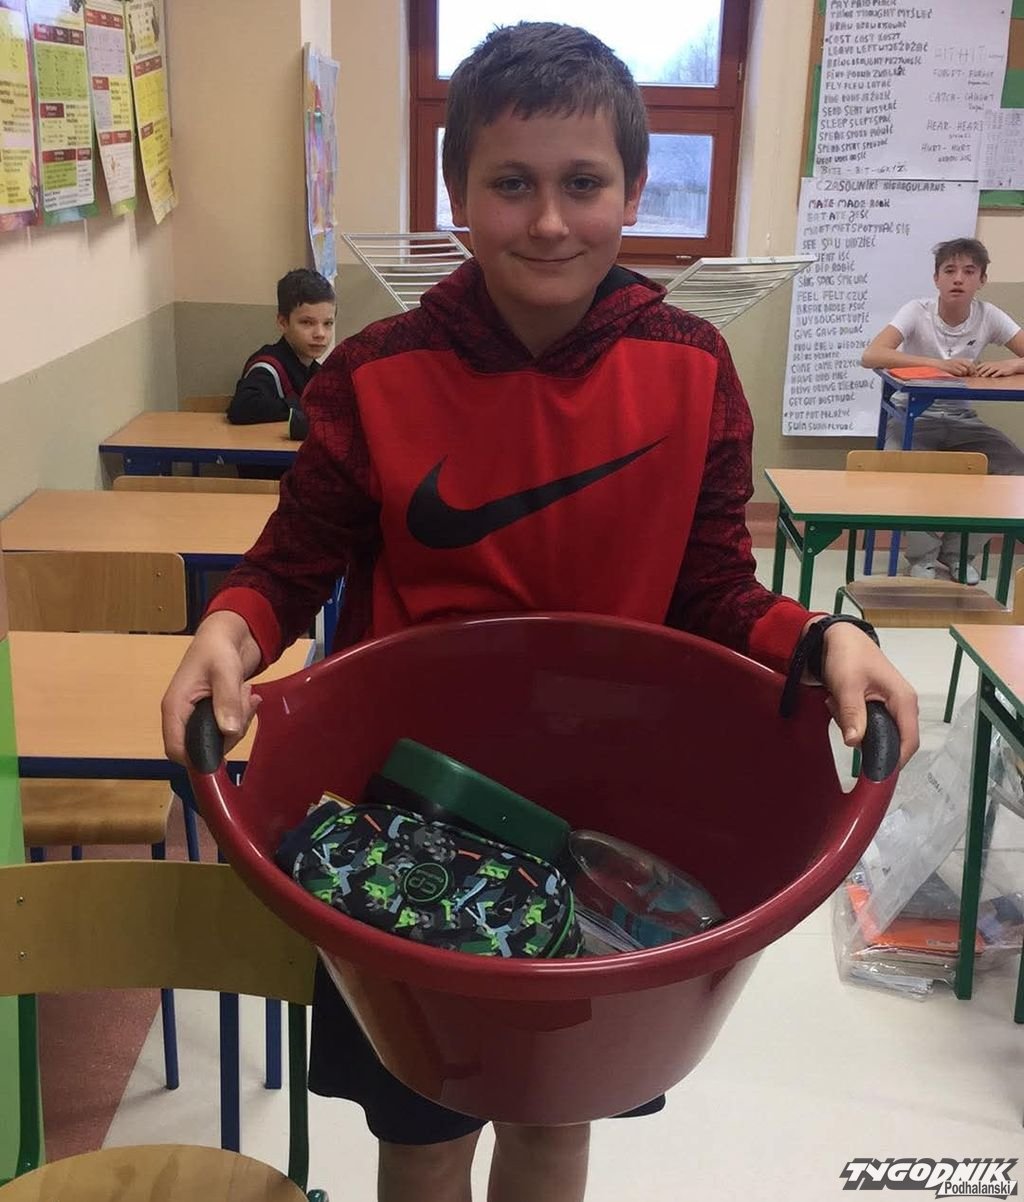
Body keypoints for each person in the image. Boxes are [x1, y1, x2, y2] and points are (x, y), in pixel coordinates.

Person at [163, 23, 918, 1202]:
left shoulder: (691, 367)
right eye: (512, 184)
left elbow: (713, 587)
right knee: (420, 1135)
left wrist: (825, 640)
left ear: (632, 194)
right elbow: (291, 565)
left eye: (584, 184)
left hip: (600, 821)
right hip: (404, 823)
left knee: (557, 1123)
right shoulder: (375, 371)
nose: (550, 221)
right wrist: (229, 631)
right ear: (458, 196)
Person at [861, 238, 1024, 583]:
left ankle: (959, 553)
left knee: (1016, 468)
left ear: (982, 279)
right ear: (936, 278)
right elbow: (872, 355)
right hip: (913, 418)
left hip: (963, 421)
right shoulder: (917, 311)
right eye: (949, 271)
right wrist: (937, 365)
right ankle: (923, 557)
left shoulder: (989, 315)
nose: (958, 279)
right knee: (902, 466)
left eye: (969, 271)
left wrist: (1012, 364)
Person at [227, 267, 336, 434]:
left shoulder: (316, 370)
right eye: (307, 323)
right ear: (283, 323)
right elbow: (241, 408)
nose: (320, 334)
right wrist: (307, 405)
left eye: (327, 323)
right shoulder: (267, 367)